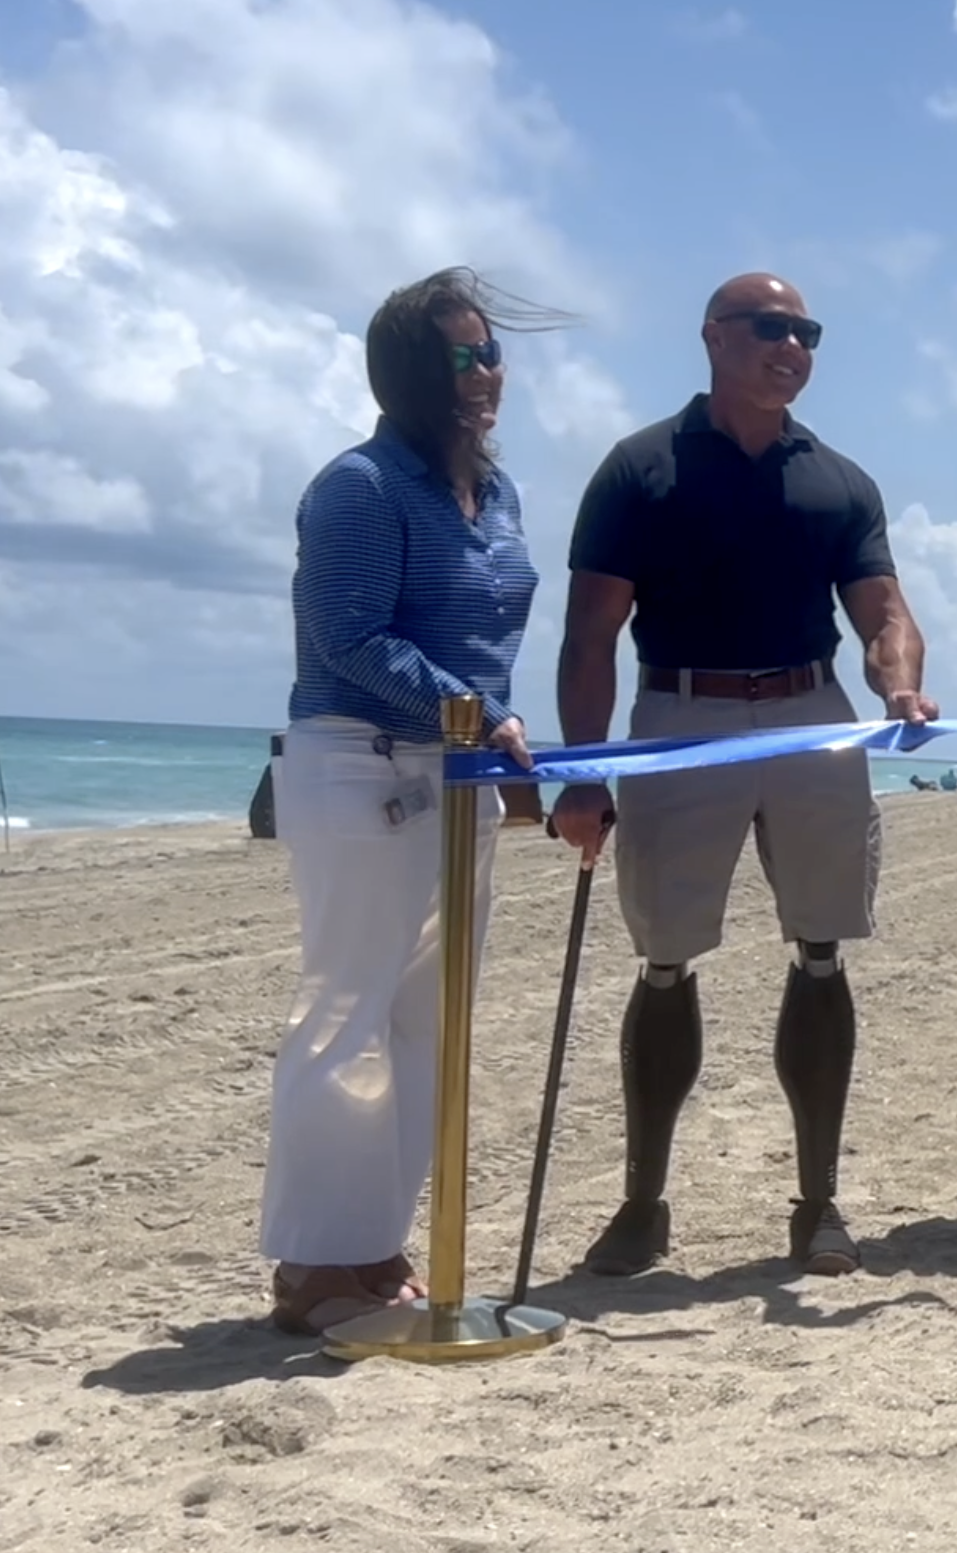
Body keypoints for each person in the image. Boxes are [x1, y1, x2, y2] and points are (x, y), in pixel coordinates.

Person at [549, 273, 932, 1280]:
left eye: (807, 332)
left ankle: (819, 1203)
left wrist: (899, 685)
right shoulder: (639, 469)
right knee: (665, 958)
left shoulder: (839, 480)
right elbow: (590, 634)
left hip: (811, 712)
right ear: (715, 335)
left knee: (823, 950)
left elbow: (885, 614)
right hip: (682, 717)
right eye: (771, 327)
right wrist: (584, 774)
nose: (792, 346)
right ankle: (643, 1205)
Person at [260, 267, 559, 1334]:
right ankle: (315, 1264)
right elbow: (350, 636)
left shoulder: (498, 492)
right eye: (461, 355)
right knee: (347, 1010)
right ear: (406, 372)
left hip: (457, 772)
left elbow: (487, 637)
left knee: (429, 1021)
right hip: (360, 762)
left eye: (491, 352)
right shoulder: (359, 485)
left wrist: (493, 735)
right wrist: (478, 714)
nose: (484, 373)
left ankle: (376, 1247)